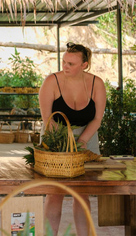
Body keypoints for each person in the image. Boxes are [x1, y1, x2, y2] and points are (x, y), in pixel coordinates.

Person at [39, 42, 106, 235]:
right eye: (64, 62)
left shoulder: (97, 84)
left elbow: (97, 119)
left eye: (71, 64)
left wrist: (81, 142)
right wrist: (63, 146)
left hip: (88, 134)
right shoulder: (51, 82)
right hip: (55, 133)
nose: (65, 67)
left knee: (82, 193)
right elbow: (47, 119)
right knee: (54, 193)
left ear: (84, 65)